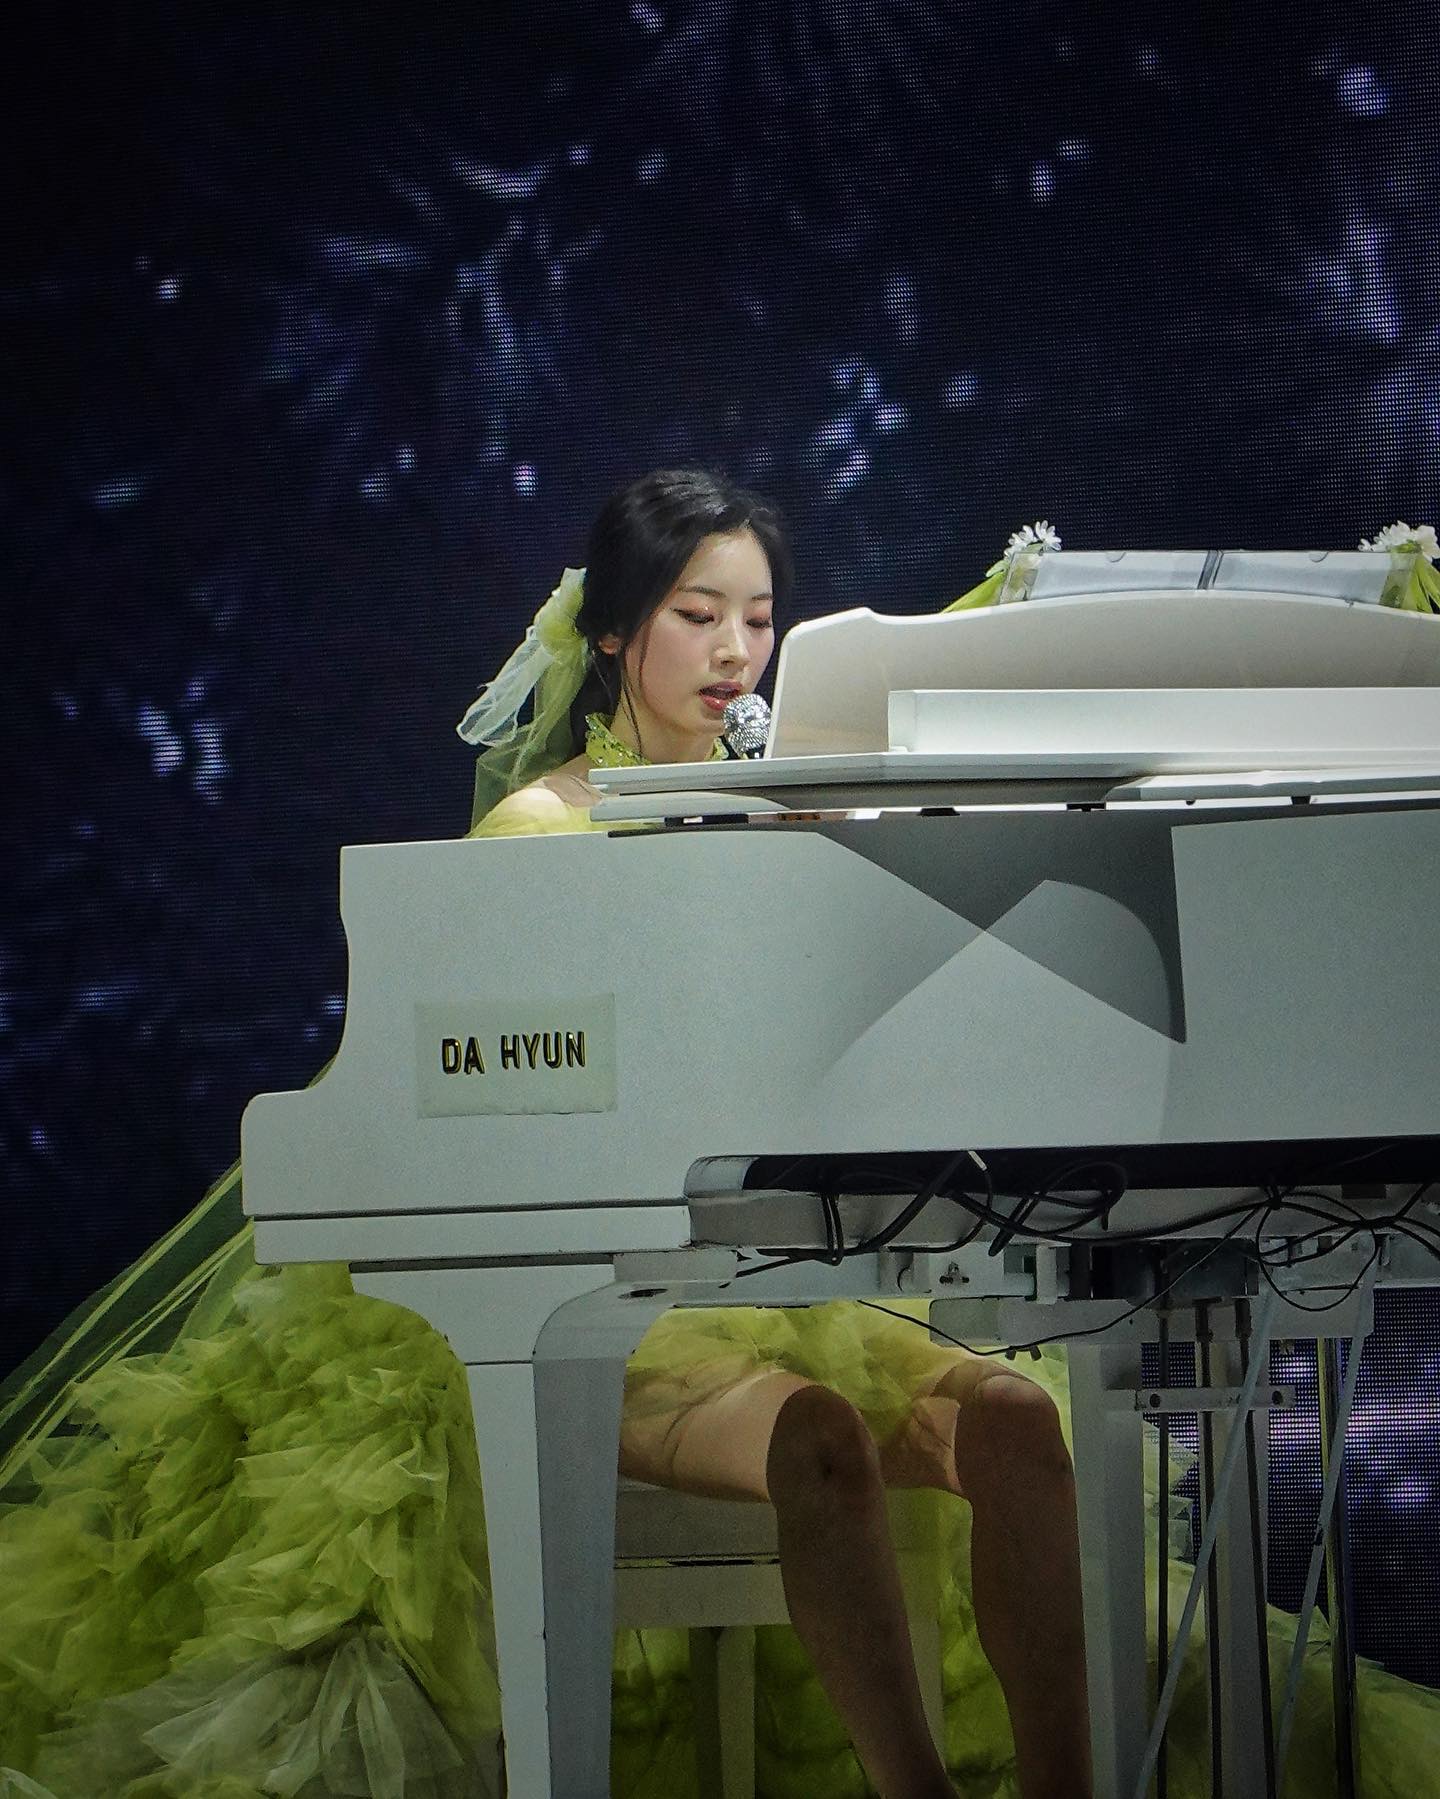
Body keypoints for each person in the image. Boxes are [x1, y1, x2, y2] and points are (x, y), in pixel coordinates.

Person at [2, 467, 1438, 1799]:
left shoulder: (790, 815)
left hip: (771, 1281)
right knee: (818, 1437)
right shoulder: (541, 835)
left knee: (1014, 1424)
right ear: (614, 633)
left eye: (758, 617)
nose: (736, 649)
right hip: (600, 1292)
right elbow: (497, 1113)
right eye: (697, 615)